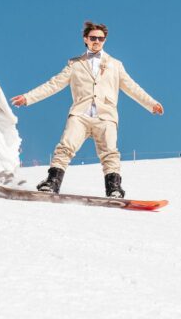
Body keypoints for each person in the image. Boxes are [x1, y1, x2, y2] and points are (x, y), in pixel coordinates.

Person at [11, 22, 163, 198]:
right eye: (93, 38)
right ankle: (52, 183)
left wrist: (151, 103)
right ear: (86, 39)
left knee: (110, 153)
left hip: (105, 116)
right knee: (65, 147)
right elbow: (54, 84)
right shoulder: (75, 64)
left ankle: (114, 188)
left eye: (100, 38)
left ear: (105, 40)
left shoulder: (115, 65)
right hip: (80, 115)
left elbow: (132, 87)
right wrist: (28, 97)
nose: (97, 41)